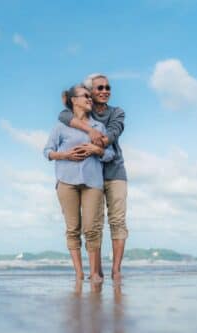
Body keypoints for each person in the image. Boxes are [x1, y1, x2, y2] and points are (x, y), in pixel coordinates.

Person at [58, 74, 128, 281]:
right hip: (92, 177)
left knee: (117, 220)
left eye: (108, 87)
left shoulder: (117, 112)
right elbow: (63, 115)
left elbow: (113, 134)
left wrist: (96, 145)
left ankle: (116, 270)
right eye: (99, 88)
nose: (105, 91)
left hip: (115, 172)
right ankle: (96, 271)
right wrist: (89, 128)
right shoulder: (83, 113)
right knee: (93, 225)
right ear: (90, 92)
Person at [44, 84, 114, 282]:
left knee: (92, 228)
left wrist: (97, 151)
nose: (90, 99)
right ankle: (79, 273)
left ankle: (94, 274)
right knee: (73, 228)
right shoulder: (60, 127)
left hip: (93, 182)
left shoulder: (99, 128)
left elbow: (110, 154)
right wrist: (65, 154)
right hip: (66, 182)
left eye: (90, 97)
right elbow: (47, 152)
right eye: (85, 96)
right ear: (73, 100)